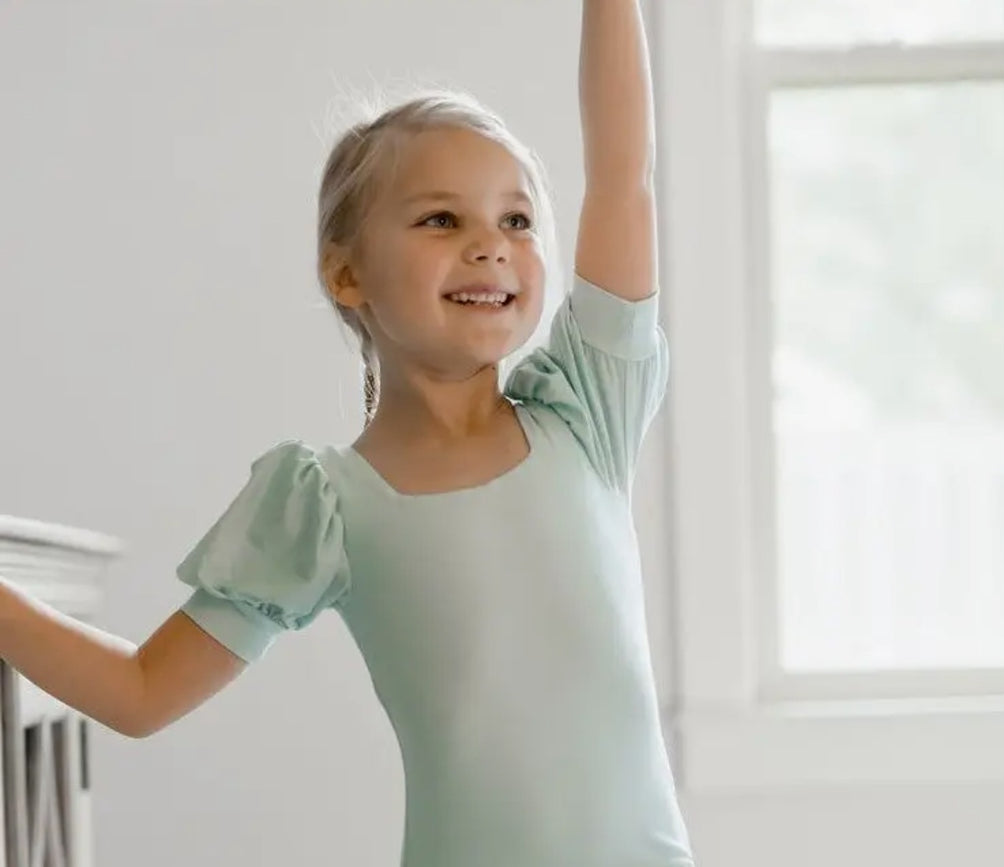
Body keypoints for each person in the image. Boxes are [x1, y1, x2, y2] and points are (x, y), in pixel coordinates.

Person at [0, 2, 696, 865]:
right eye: (442, 219)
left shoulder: (587, 411)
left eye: (516, 220)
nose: (491, 245)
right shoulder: (323, 506)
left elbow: (624, 174)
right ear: (345, 269)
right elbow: (142, 692)